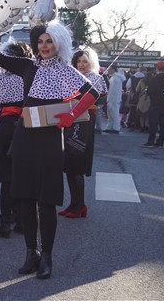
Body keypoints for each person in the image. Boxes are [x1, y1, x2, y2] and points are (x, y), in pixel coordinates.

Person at [0, 23, 99, 279]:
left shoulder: (67, 71)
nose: (44, 46)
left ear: (59, 44)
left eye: (49, 41)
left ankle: (47, 256)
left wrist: (72, 115)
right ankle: (30, 253)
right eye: (41, 41)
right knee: (25, 197)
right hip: (24, 137)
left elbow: (92, 93)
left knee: (46, 201)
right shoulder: (27, 66)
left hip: (50, 141)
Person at [0, 40, 33, 237]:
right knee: (24, 174)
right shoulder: (30, 75)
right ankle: (22, 220)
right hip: (27, 125)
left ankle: (5, 222)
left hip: (5, 125)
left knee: (6, 176)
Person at [60, 48, 107, 219]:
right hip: (70, 121)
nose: (81, 65)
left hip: (84, 123)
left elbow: (97, 99)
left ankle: (80, 205)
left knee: (77, 164)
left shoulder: (95, 78)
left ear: (91, 63)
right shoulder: (73, 77)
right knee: (69, 166)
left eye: (85, 62)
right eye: (79, 61)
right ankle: (74, 204)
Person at [143, 62, 164, 148]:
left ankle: (151, 141)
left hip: (155, 104)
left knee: (153, 124)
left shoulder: (155, 79)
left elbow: (149, 91)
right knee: (163, 124)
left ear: (157, 69)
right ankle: (160, 142)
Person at [104, 65, 125, 134]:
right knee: (111, 113)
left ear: (113, 69)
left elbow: (113, 91)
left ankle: (115, 128)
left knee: (114, 113)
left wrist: (110, 99)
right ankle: (111, 127)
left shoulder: (115, 78)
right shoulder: (115, 78)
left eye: (110, 69)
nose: (108, 70)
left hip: (113, 98)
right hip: (114, 98)